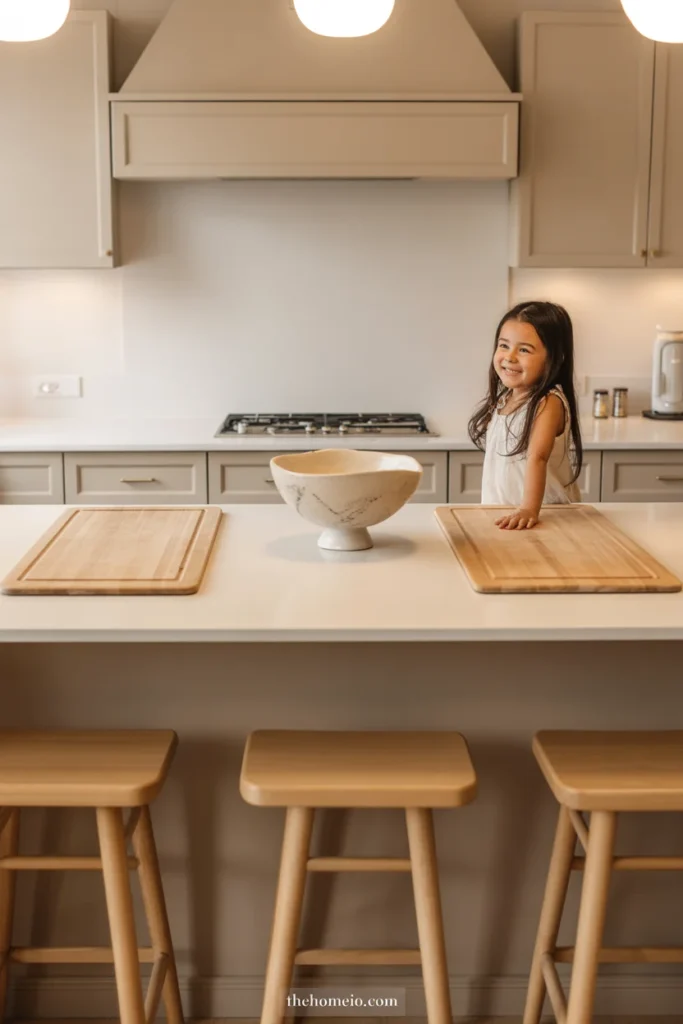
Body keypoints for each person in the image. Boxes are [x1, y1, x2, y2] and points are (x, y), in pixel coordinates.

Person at [468, 300, 583, 530]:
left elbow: (537, 457)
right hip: (508, 516)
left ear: (555, 358)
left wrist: (529, 509)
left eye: (524, 350)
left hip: (545, 516)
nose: (509, 357)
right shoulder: (504, 399)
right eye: (503, 345)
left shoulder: (548, 402)